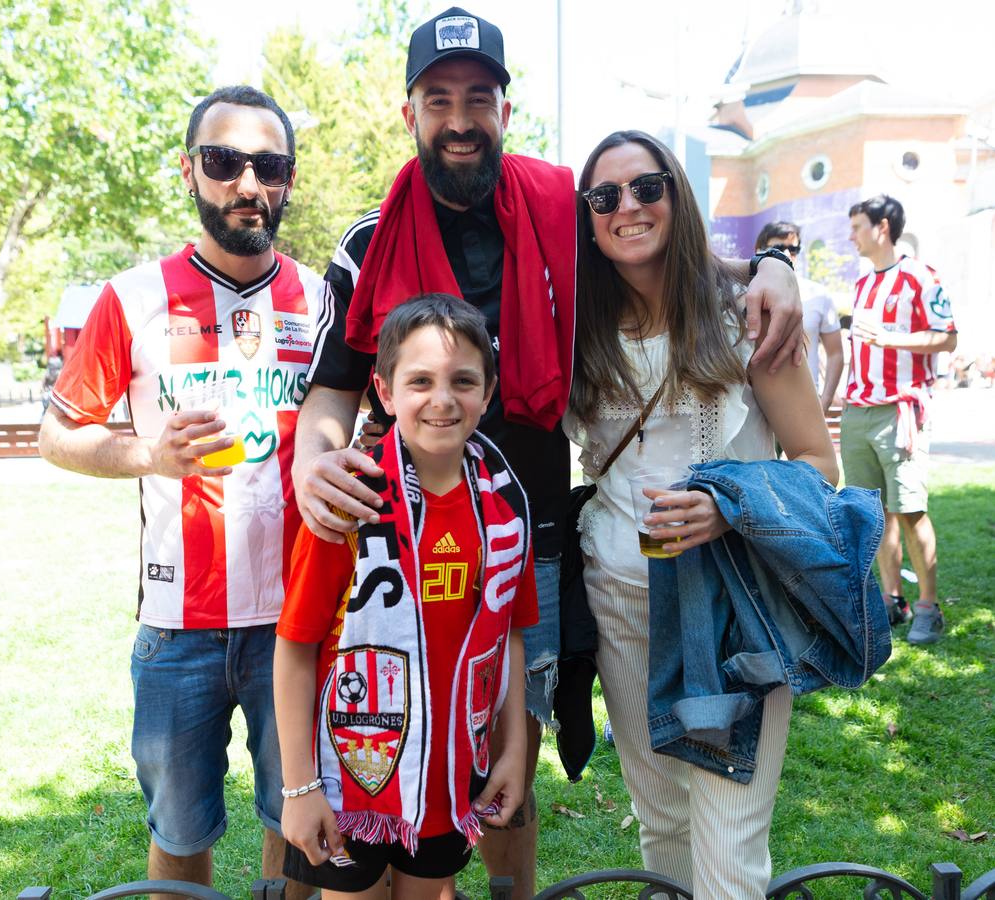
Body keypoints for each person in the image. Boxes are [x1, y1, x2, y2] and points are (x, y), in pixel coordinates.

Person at [291, 9, 804, 895]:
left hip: (526, 542)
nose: (460, 119)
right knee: (381, 746)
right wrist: (313, 460)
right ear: (408, 111)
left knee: (505, 764)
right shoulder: (369, 242)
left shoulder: (561, 215)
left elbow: (662, 241)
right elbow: (331, 389)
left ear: (504, 109)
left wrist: (776, 257)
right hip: (396, 548)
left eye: (478, 98)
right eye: (439, 99)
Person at [37, 85, 323, 897]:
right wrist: (145, 455)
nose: (246, 184)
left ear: (289, 179)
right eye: (223, 162)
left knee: (295, 818)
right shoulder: (130, 298)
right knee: (179, 828)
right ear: (190, 172)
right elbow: (57, 434)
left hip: (296, 620)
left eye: (266, 166)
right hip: (177, 627)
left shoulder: (323, 298)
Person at [564, 130, 840, 898]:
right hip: (619, 601)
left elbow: (820, 468)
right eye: (605, 196)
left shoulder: (748, 314)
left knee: (729, 838)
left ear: (677, 198)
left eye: (646, 187)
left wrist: (726, 505)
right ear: (587, 219)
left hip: (731, 608)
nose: (627, 206)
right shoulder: (578, 330)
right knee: (661, 823)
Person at [276, 294, 536, 898]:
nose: (442, 400)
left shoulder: (504, 506)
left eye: (462, 381)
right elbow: (294, 645)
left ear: (488, 392)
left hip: (450, 773)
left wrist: (514, 748)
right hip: (352, 772)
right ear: (385, 392)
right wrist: (299, 787)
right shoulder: (349, 499)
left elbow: (511, 636)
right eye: (419, 381)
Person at [843, 194, 957, 643]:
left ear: (882, 228)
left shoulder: (921, 277)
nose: (850, 236)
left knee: (910, 510)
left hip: (900, 410)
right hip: (859, 411)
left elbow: (948, 339)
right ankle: (892, 601)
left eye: (856, 227)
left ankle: (929, 605)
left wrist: (892, 337)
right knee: (874, 515)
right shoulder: (862, 284)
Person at [755, 221, 844, 414]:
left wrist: (825, 400)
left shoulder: (819, 294)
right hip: (755, 403)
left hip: (804, 402)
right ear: (759, 250)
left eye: (793, 249)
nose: (787, 255)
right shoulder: (745, 292)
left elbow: (835, 353)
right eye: (778, 248)